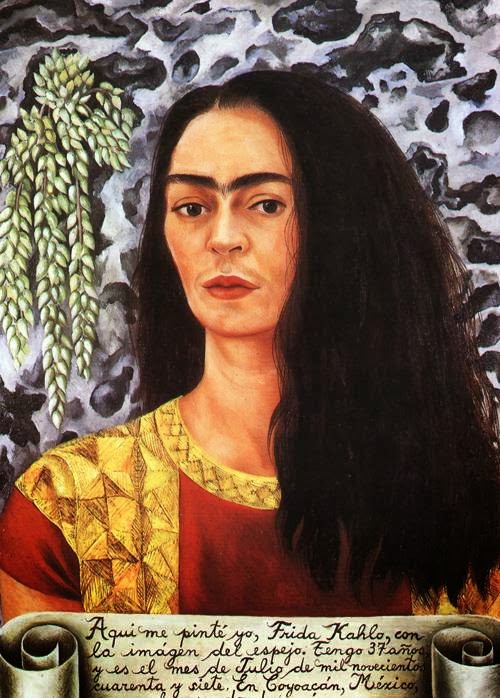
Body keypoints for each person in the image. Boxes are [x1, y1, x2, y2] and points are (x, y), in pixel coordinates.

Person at [0, 70, 498, 620]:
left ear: (344, 227)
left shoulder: (470, 507)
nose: (222, 238)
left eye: (264, 204)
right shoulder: (68, 506)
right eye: (192, 207)